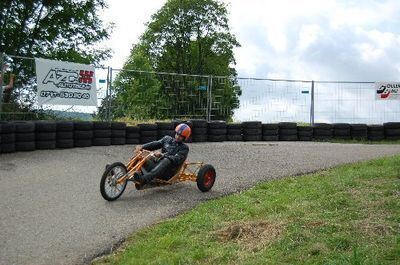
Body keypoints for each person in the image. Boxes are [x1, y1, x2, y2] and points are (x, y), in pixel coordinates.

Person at [133, 123, 191, 187]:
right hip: (156, 167)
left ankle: (144, 180)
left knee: (167, 160)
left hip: (167, 173)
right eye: (177, 134)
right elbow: (155, 144)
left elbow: (176, 159)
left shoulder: (184, 148)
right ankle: (126, 172)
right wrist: (142, 147)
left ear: (184, 138)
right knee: (141, 156)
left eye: (180, 136)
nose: (178, 137)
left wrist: (162, 155)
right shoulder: (167, 139)